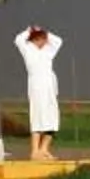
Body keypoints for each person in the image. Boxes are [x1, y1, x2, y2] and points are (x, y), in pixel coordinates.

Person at [16, 25, 64, 161]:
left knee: (53, 118)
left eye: (43, 38)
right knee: (37, 116)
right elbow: (18, 39)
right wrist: (29, 30)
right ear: (33, 39)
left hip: (50, 87)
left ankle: (44, 149)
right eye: (38, 38)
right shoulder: (27, 49)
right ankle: (35, 151)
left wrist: (46, 32)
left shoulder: (48, 50)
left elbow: (59, 41)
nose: (42, 41)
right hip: (36, 86)